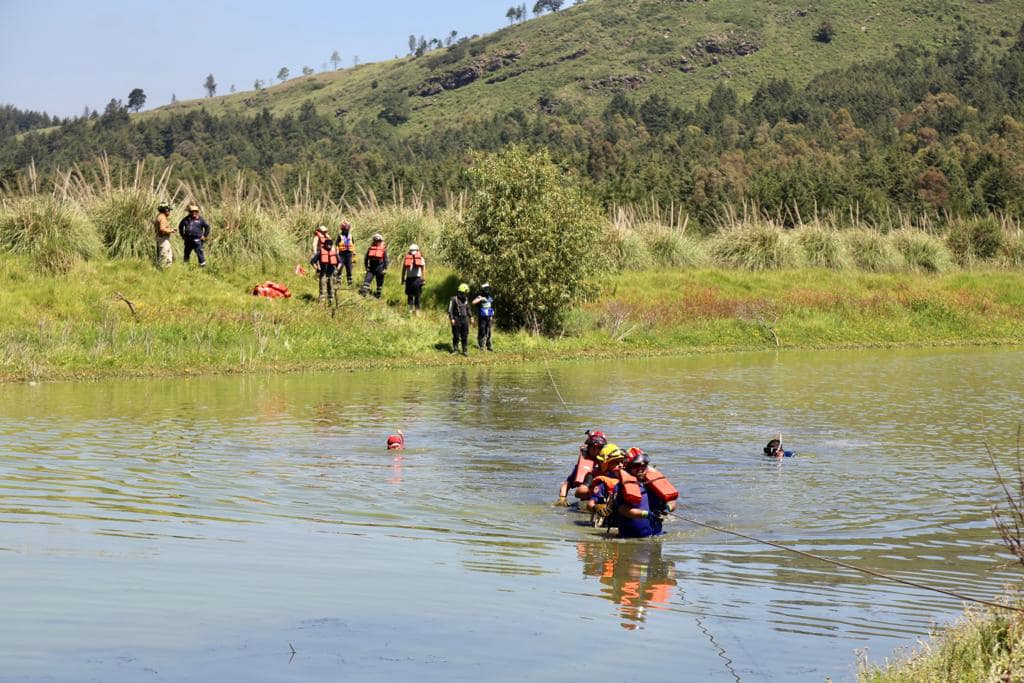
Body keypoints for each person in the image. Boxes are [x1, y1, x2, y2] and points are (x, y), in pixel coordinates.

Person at [611, 448, 678, 539]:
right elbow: (623, 509)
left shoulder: (654, 483)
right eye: (637, 465)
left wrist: (667, 508)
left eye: (644, 465)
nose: (641, 469)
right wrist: (646, 514)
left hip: (656, 537)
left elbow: (672, 501)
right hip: (631, 539)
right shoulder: (621, 486)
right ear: (628, 466)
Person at [556, 430, 608, 505]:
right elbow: (567, 484)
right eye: (593, 447)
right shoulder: (582, 466)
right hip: (587, 501)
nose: (596, 451)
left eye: (599, 448)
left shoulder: (610, 463)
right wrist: (562, 498)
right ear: (588, 447)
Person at [311, 233, 339, 303]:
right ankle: (322, 302)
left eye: (330, 245)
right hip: (323, 273)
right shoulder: (320, 252)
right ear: (324, 245)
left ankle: (331, 301)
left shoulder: (334, 253)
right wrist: (317, 268)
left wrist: (337, 269)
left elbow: (340, 262)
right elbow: (312, 261)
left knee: (331, 288)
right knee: (322, 288)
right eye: (328, 245)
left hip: (331, 273)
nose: (329, 246)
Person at [359, 233, 388, 298]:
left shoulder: (383, 249)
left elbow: (386, 260)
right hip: (371, 268)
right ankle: (364, 293)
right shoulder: (370, 248)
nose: (377, 241)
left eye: (378, 240)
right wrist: (366, 267)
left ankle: (378, 295)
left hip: (380, 268)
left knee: (379, 283)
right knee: (367, 280)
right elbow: (366, 258)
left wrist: (385, 269)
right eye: (375, 240)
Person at [400, 244, 426, 314]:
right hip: (411, 279)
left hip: (416, 279)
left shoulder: (421, 258)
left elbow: (423, 269)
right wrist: (402, 278)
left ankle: (416, 310)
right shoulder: (406, 258)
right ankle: (411, 310)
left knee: (416, 295)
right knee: (411, 295)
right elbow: (404, 269)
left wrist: (423, 279)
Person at [448, 283, 472, 356]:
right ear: (461, 292)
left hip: (465, 320)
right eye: (465, 293)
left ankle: (465, 350)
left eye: (466, 293)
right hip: (456, 319)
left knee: (465, 335)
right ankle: (455, 349)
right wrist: (451, 319)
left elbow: (468, 308)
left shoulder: (466, 299)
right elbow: (450, 310)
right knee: (456, 335)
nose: (466, 294)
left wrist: (471, 317)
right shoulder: (453, 299)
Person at [471, 283, 494, 351]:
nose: (487, 289)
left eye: (488, 288)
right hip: (482, 317)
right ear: (483, 289)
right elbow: (473, 302)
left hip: (489, 316)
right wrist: (481, 299)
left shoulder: (490, 295)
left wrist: (491, 315)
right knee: (482, 330)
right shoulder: (480, 295)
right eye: (486, 288)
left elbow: (490, 305)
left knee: (489, 331)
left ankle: (489, 345)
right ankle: (481, 345)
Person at [153, 201, 174, 268]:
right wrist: (171, 230)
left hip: (160, 238)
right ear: (166, 210)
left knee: (165, 255)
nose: (169, 212)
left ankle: (164, 270)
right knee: (165, 256)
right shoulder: (162, 218)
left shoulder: (159, 216)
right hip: (163, 239)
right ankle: (163, 271)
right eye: (169, 210)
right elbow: (162, 229)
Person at [336, 221, 355, 287]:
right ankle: (338, 283)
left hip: (349, 254)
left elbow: (353, 245)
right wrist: (337, 254)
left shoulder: (351, 236)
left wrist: (354, 255)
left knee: (349, 269)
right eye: (344, 229)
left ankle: (349, 284)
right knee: (340, 268)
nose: (346, 230)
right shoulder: (340, 236)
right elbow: (337, 246)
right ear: (342, 229)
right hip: (341, 255)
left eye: (347, 229)